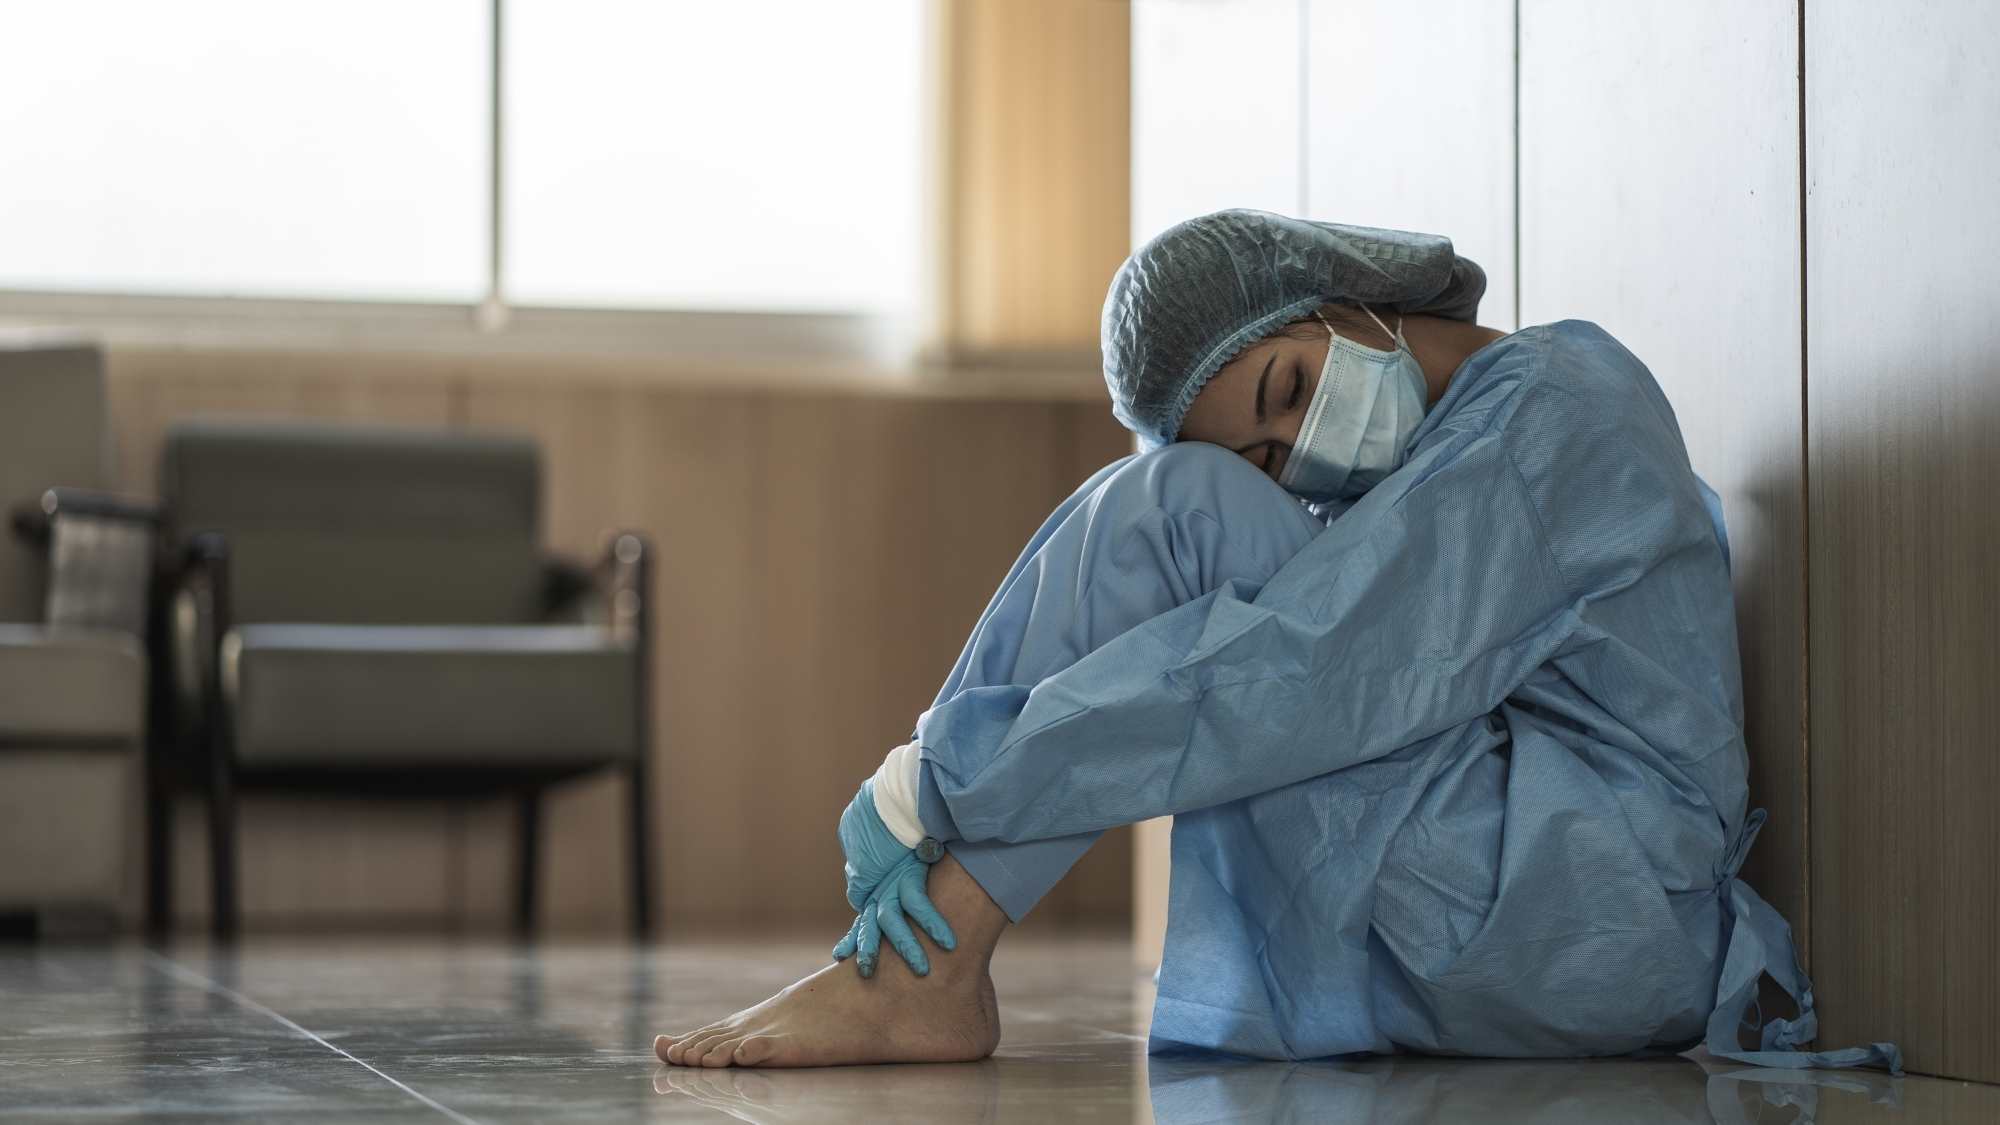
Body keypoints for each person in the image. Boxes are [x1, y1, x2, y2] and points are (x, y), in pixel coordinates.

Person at [655, 211, 1900, 1073]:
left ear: (1347, 296)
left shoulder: (1556, 402)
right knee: (1175, 508)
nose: (1299, 455)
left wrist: (948, 779)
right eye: (1266, 448)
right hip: (1513, 903)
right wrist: (942, 766)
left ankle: (926, 958)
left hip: (1613, 916)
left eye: (1290, 389)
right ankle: (927, 953)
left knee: (1191, 536)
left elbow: (1315, 673)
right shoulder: (1417, 467)